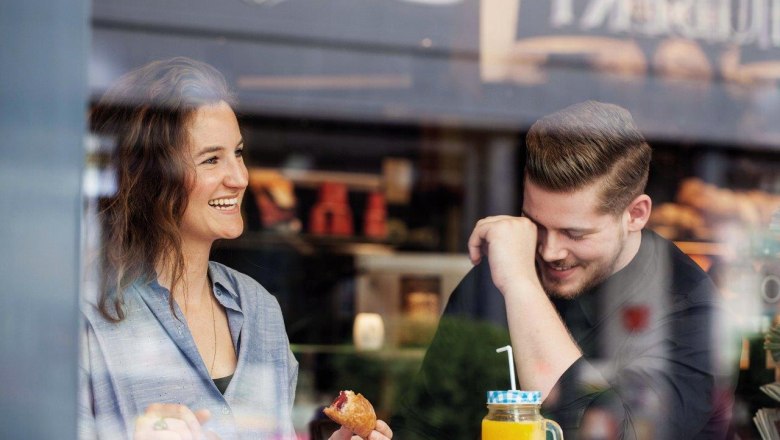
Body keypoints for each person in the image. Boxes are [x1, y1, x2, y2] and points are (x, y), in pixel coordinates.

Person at [79, 57, 393, 440]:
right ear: (149, 178)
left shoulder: (259, 309)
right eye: (212, 159)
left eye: (238, 153)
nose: (240, 178)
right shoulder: (87, 316)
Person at [392, 101, 735, 439]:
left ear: (635, 215)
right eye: (536, 224)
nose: (549, 251)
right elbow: (425, 424)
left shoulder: (691, 306)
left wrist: (520, 285)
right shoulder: (501, 274)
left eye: (575, 233)